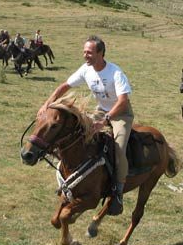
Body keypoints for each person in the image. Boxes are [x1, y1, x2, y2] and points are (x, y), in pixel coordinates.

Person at [37, 35, 133, 216]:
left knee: (119, 149)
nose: (85, 55)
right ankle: (72, 176)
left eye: (89, 52)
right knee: (75, 134)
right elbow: (64, 86)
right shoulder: (86, 70)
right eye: (84, 52)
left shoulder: (115, 73)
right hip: (100, 110)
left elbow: (123, 100)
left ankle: (118, 192)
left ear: (100, 53)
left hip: (121, 114)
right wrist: (47, 104)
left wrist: (105, 120)